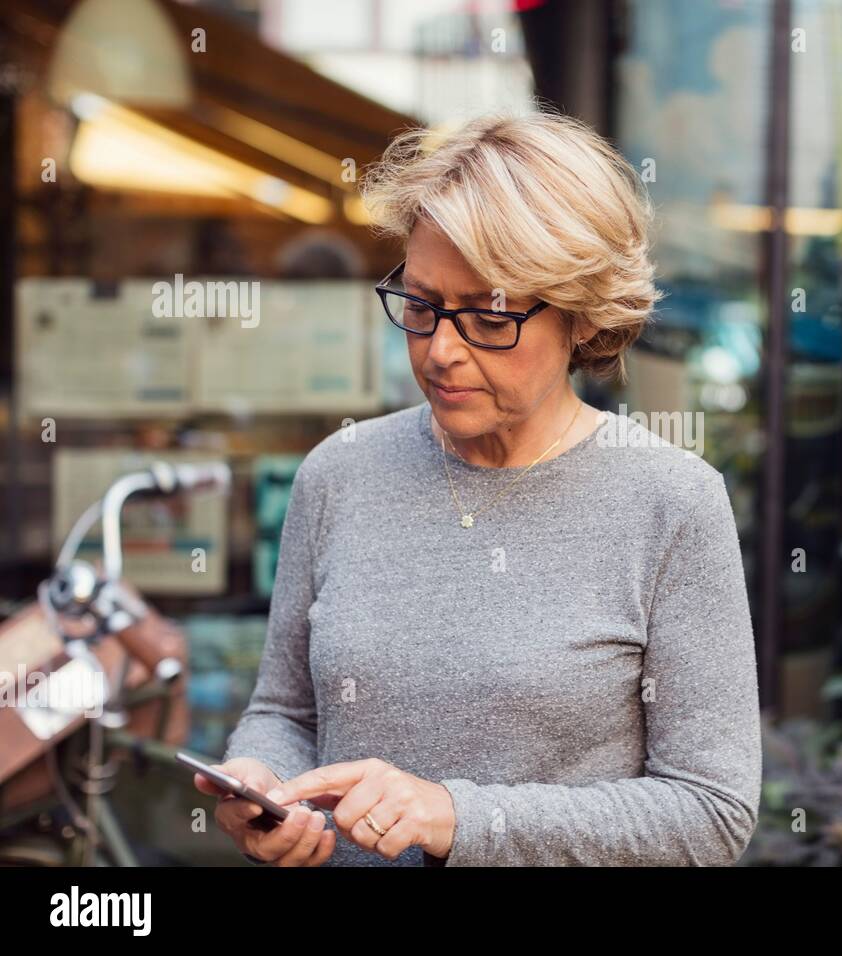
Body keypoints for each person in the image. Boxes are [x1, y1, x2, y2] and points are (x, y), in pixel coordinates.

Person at [192, 111, 762, 866]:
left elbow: (709, 813)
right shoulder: (339, 473)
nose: (441, 351)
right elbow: (285, 711)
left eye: (490, 314)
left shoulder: (672, 502)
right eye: (422, 307)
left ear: (582, 315)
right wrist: (262, 780)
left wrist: (457, 816)